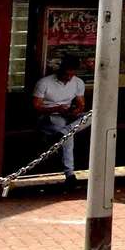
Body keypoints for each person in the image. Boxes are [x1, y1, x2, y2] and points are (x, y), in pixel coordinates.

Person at [33, 55, 86, 189]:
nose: (68, 78)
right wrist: (56, 108)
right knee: (69, 136)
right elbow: (37, 106)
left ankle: (64, 131)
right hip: (50, 116)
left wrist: (76, 110)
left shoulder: (78, 82)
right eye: (66, 74)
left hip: (67, 116)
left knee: (91, 116)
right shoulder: (44, 83)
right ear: (60, 71)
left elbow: (81, 104)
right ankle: (70, 174)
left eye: (71, 75)